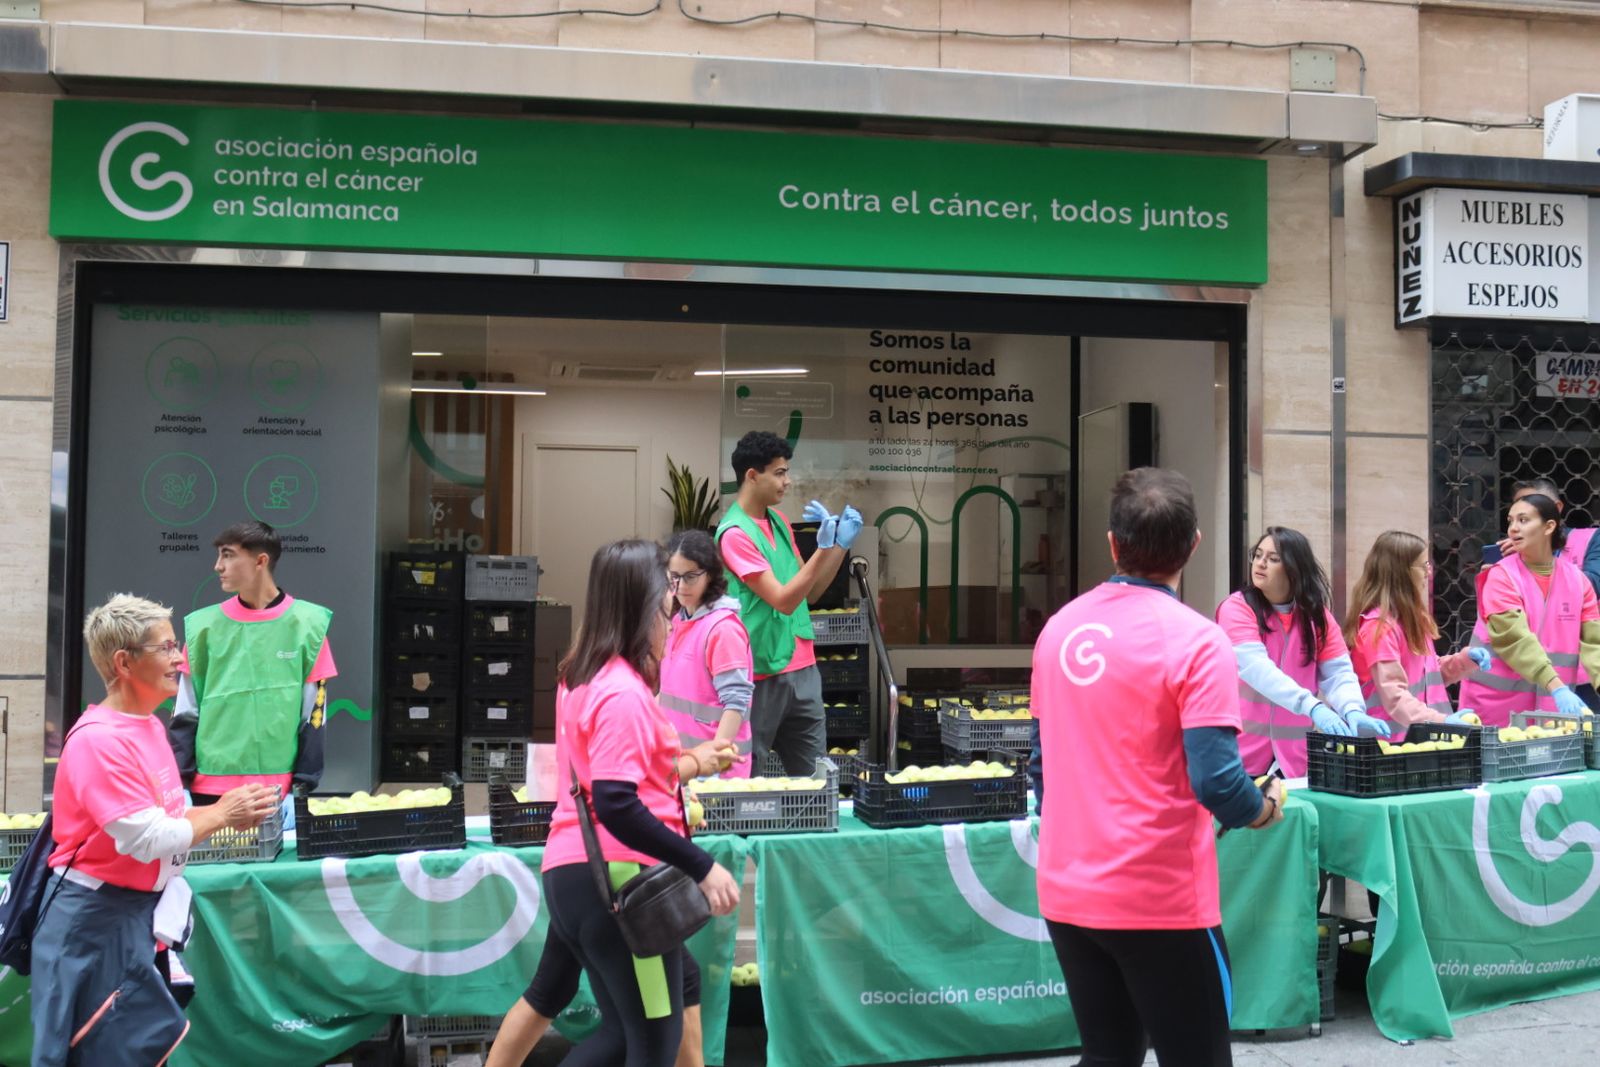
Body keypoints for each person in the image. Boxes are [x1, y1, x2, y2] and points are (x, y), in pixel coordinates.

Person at [1034, 467, 1285, 1067]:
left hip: (1068, 890)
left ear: (1113, 543)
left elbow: (1045, 765)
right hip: (1160, 898)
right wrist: (1264, 810)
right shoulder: (1198, 642)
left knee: (1108, 1056)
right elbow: (1219, 781)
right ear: (1194, 544)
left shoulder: (1058, 630)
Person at [31, 594, 278, 1067]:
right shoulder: (100, 741)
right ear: (124, 663)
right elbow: (145, 839)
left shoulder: (147, 726)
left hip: (134, 919)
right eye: (164, 648)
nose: (179, 658)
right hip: (92, 926)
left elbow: (170, 826)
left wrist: (227, 815)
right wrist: (224, 813)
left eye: (175, 645)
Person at [539, 539, 741, 1066]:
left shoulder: (585, 678)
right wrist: (701, 865)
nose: (672, 612)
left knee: (626, 1037)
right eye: (667, 597)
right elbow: (617, 802)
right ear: (647, 603)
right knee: (652, 1045)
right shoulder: (622, 692)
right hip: (622, 884)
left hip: (583, 877)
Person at [715, 430, 861, 775]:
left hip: (803, 669)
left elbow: (808, 594)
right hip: (761, 672)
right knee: (748, 777)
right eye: (780, 473)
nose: (788, 482)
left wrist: (839, 546)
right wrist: (822, 549)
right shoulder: (734, 535)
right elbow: (782, 600)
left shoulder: (779, 522)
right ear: (753, 475)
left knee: (816, 779)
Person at [169, 521, 336, 804]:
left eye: (228, 554)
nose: (217, 566)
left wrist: (301, 787)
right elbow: (185, 711)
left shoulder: (309, 626)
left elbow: (314, 716)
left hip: (278, 790)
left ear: (261, 560)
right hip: (208, 789)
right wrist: (180, 784)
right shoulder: (202, 627)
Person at [1214, 527, 1388, 777]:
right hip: (1241, 755)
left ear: (1294, 568)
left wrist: (1352, 709)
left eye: (1273, 559)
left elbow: (1337, 673)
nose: (1261, 564)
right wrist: (1314, 707)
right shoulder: (1238, 609)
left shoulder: (1316, 617)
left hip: (1294, 761)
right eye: (1258, 555)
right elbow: (1257, 669)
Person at [1456, 494, 1600, 727]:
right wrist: (1557, 687)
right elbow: (1515, 639)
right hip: (1497, 707)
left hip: (1551, 709)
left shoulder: (1577, 580)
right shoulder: (1501, 575)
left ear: (1549, 526)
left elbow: (1594, 642)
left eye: (1523, 520)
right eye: (1511, 521)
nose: (1513, 529)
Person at [1344, 531, 1485, 728]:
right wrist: (1441, 721)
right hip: (1388, 746)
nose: (1429, 572)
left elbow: (1429, 676)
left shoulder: (1410, 618)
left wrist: (1464, 661)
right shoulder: (1379, 628)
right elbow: (1395, 696)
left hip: (1420, 742)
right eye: (1423, 565)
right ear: (1401, 573)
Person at [660, 530, 756, 777]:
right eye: (674, 577)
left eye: (690, 576)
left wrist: (714, 761)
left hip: (717, 776)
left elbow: (736, 701)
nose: (680, 586)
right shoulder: (678, 621)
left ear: (710, 574)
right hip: (685, 768)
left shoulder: (722, 628)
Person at [1485, 477, 1600, 596]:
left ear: (1557, 508)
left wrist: (1533, 560)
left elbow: (1594, 585)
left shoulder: (1592, 538)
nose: (1514, 527)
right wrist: (1498, 578)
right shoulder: (1512, 548)